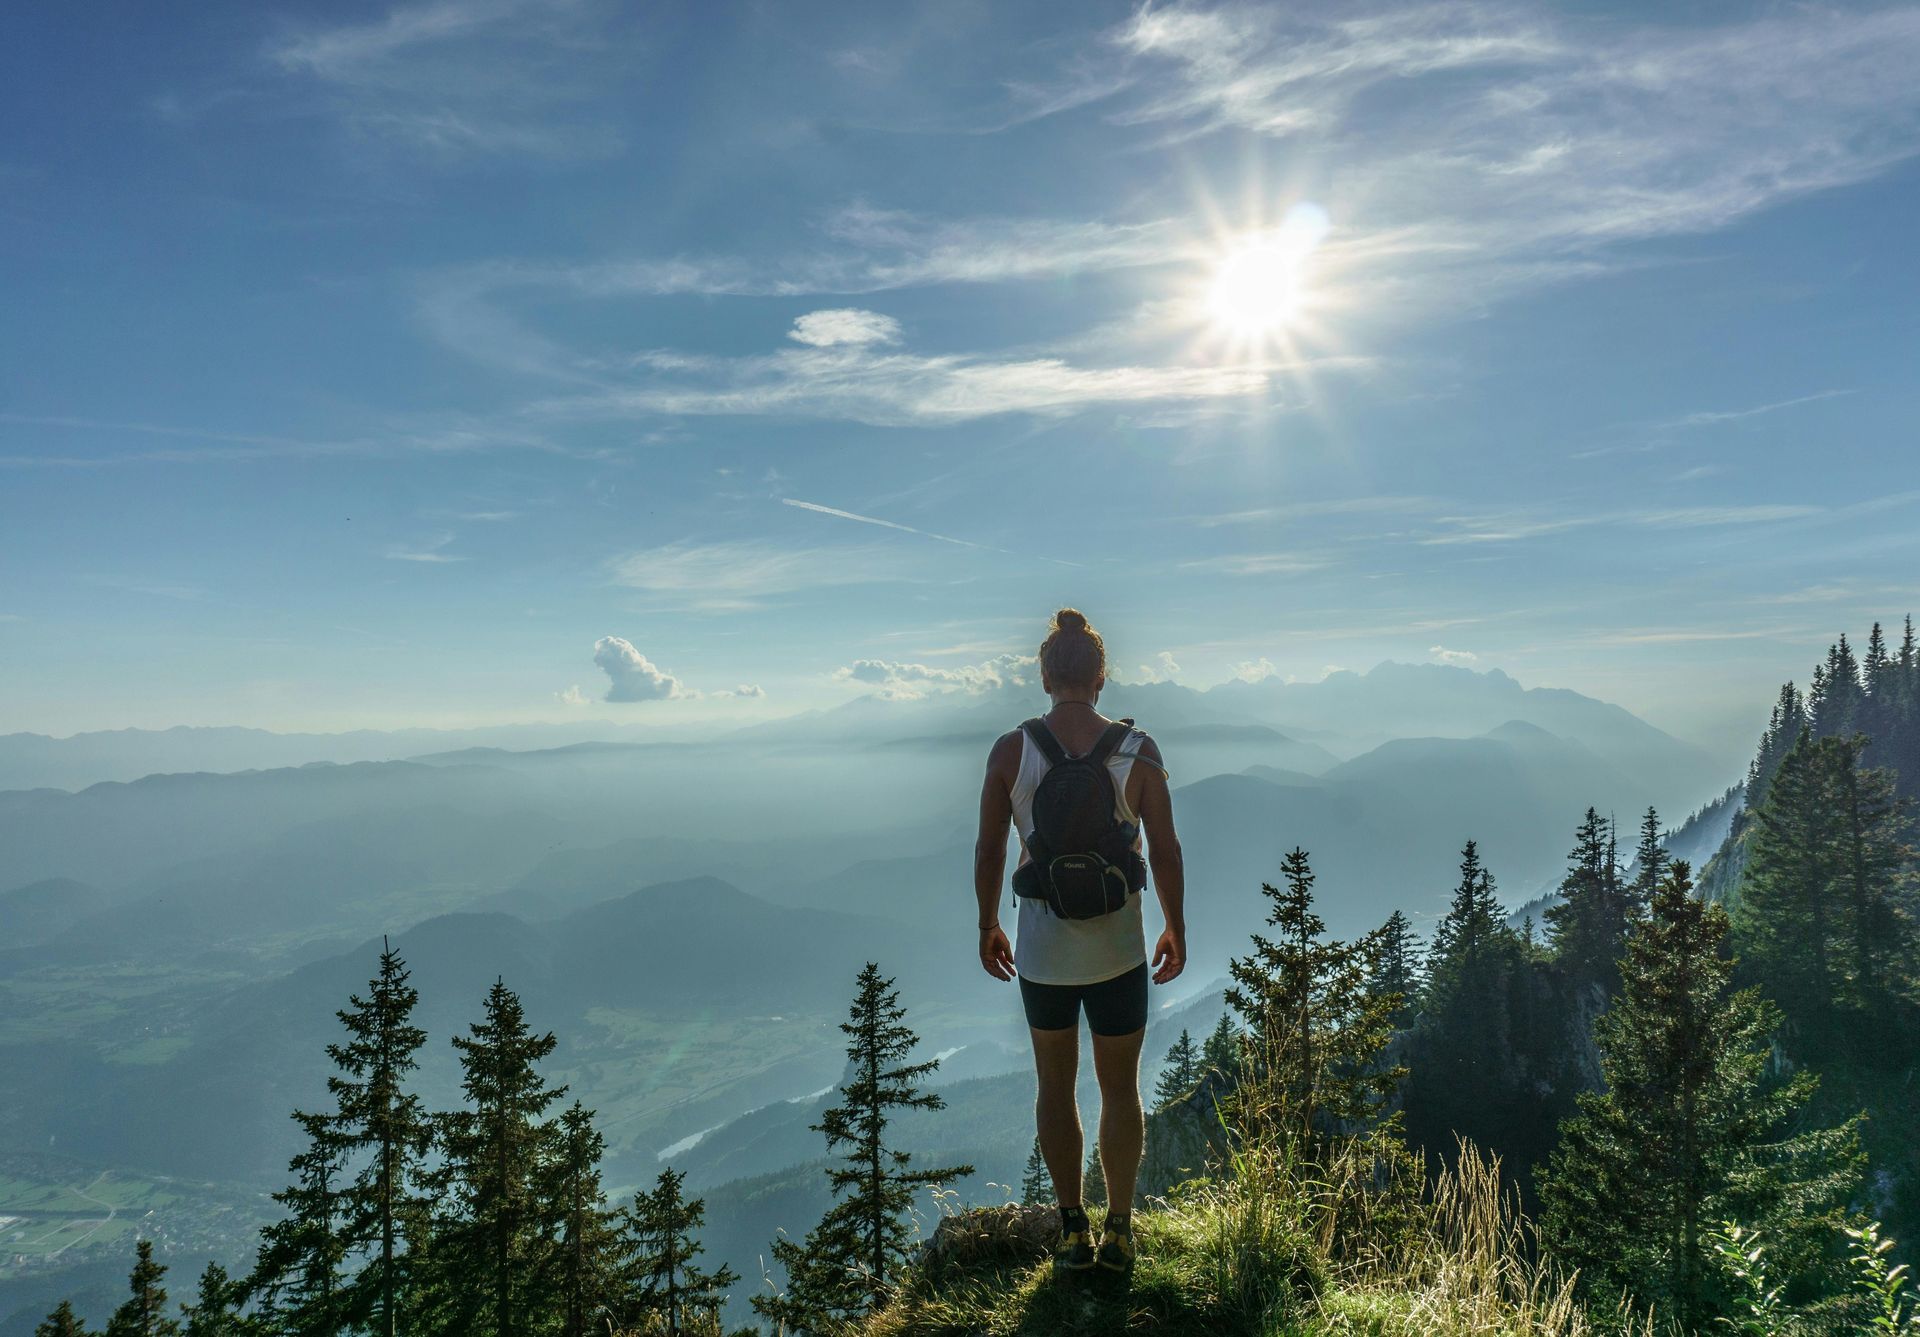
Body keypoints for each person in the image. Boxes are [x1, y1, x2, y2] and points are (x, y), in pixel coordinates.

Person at [974, 608, 1186, 1275]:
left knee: (1055, 1085)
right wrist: (1176, 924)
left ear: (1045, 676)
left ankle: (1072, 1231)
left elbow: (990, 845)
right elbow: (1166, 848)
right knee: (1120, 1089)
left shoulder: (1013, 751)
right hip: (1119, 951)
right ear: (1100, 676)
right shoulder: (1139, 750)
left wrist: (988, 922)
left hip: (1044, 955)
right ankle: (1119, 1229)